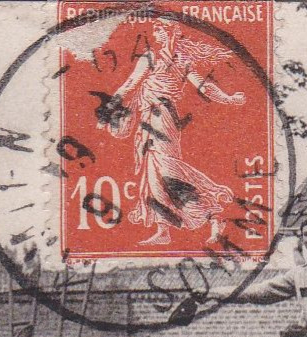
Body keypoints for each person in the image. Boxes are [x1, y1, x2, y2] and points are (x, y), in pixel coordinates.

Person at [97, 22, 246, 246]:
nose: (155, 34)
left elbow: (204, 87)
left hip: (164, 117)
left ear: (171, 32)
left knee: (167, 170)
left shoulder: (183, 61)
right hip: (148, 120)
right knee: (153, 174)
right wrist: (109, 110)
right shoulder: (149, 57)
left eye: (160, 30)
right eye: (155, 30)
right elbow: (130, 84)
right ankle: (164, 229)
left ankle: (212, 215)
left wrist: (229, 98)